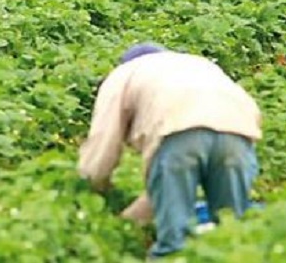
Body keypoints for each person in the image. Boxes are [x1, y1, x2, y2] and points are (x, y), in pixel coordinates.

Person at [78, 43, 262, 259]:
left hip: (178, 131)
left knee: (174, 245)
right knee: (232, 231)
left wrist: (91, 188)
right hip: (237, 131)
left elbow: (103, 143)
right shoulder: (197, 65)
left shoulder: (123, 75)